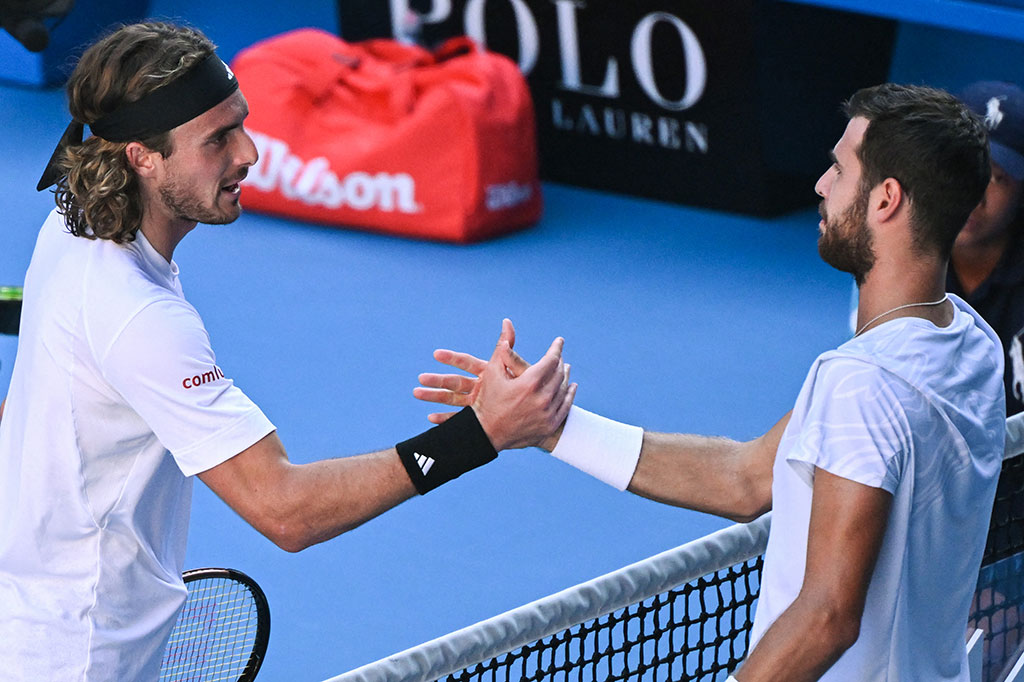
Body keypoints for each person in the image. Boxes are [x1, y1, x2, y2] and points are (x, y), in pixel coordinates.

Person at [0, 22, 575, 681]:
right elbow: (285, 510)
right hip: (80, 657)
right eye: (217, 139)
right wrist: (481, 433)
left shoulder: (72, 220)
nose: (249, 152)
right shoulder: (143, 319)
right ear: (142, 157)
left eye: (241, 124)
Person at [417, 83, 1005, 681]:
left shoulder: (864, 385)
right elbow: (746, 478)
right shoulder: (972, 342)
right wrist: (553, 427)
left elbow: (827, 616)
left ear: (886, 200)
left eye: (839, 169)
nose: (820, 185)